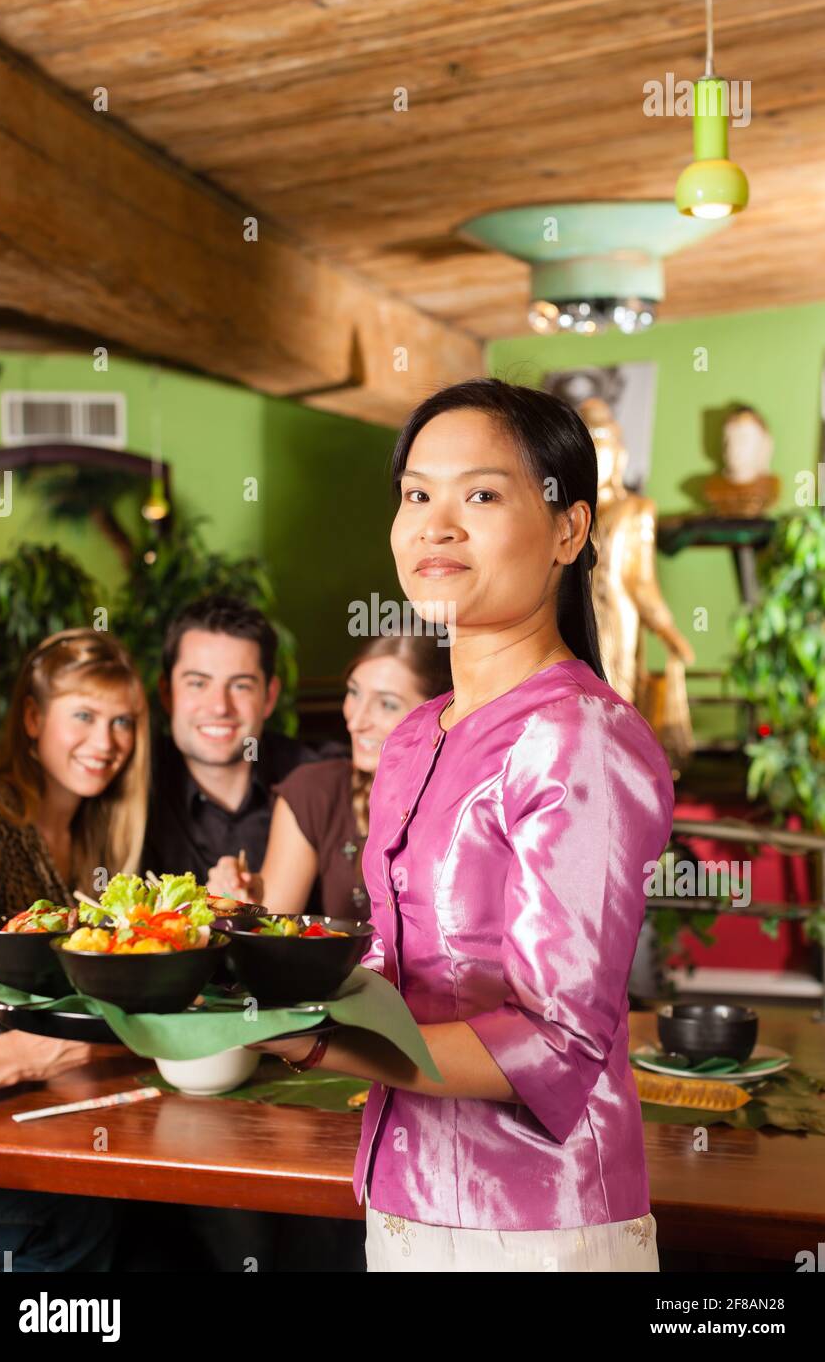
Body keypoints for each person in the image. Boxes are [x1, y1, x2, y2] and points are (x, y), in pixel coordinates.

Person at [250, 377, 675, 1272]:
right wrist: (246, 982)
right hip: (403, 1202)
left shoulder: (579, 737)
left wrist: (317, 1041)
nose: (435, 525)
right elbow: (389, 970)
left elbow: (558, 1040)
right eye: (416, 495)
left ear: (570, 529)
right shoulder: (413, 737)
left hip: (540, 1226)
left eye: (481, 494)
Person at [0, 628, 149, 1270]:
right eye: (83, 715)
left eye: (121, 721)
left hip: (77, 1153)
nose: (105, 743)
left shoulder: (95, 844)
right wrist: (14, 1057)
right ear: (32, 717)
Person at [208, 634, 452, 917]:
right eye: (355, 692)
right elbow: (273, 932)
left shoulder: (473, 803)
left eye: (387, 704)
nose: (356, 720)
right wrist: (242, 902)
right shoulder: (315, 791)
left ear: (441, 711)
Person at [141, 595, 322, 884]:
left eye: (240, 685)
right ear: (167, 693)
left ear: (269, 696)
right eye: (198, 683)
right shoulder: (132, 785)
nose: (219, 707)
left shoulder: (319, 779)